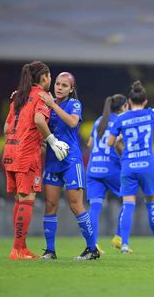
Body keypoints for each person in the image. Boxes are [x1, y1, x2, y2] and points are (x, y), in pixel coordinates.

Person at [3, 61, 69, 260]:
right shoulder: (42, 96)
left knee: (19, 199)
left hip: (10, 151)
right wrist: (51, 140)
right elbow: (40, 120)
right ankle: (17, 249)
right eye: (49, 77)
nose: (51, 81)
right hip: (26, 155)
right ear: (44, 77)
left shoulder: (18, 97)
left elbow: (6, 129)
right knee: (27, 200)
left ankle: (20, 248)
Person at [39, 72, 99, 260]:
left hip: (71, 162)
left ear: (71, 89)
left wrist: (53, 104)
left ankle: (92, 248)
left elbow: (73, 122)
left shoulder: (74, 104)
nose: (59, 87)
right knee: (50, 205)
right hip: (51, 161)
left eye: (65, 85)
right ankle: (50, 250)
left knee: (75, 205)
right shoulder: (47, 106)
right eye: (57, 83)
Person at [107, 81, 154, 254]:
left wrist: (120, 139)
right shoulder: (151, 114)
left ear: (128, 102)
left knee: (128, 205)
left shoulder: (121, 118)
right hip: (147, 165)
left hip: (128, 165)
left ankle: (124, 244)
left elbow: (110, 142)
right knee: (152, 205)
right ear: (145, 101)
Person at [86, 94, 128, 254]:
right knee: (128, 199)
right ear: (123, 107)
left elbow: (90, 144)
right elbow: (118, 144)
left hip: (94, 168)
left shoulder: (98, 121)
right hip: (112, 168)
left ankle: (93, 244)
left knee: (95, 207)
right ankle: (119, 237)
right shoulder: (120, 121)